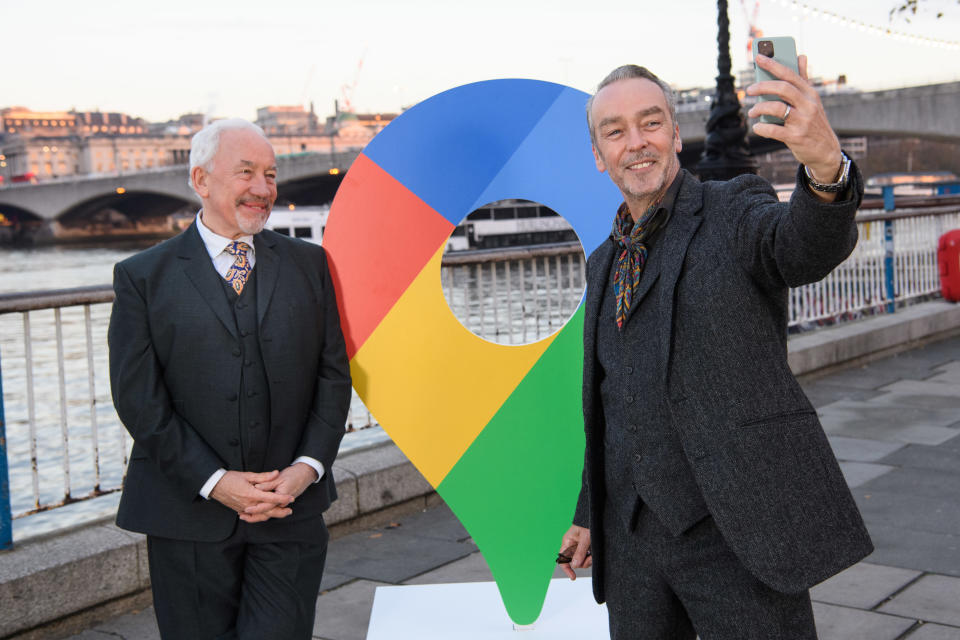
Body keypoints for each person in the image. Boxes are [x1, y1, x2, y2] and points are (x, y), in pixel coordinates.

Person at [557, 54, 873, 639]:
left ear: (677, 135)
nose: (636, 143)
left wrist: (827, 168)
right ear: (599, 158)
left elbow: (799, 247)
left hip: (738, 531)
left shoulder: (733, 210)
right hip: (631, 545)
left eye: (651, 123)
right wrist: (588, 512)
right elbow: (611, 401)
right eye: (615, 132)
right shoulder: (603, 264)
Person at [108, 119, 351, 639]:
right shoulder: (142, 277)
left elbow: (334, 374)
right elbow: (139, 400)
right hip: (185, 516)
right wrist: (216, 482)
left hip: (290, 508)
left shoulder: (311, 264)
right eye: (246, 173)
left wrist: (307, 468)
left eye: (270, 174)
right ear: (201, 180)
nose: (263, 189)